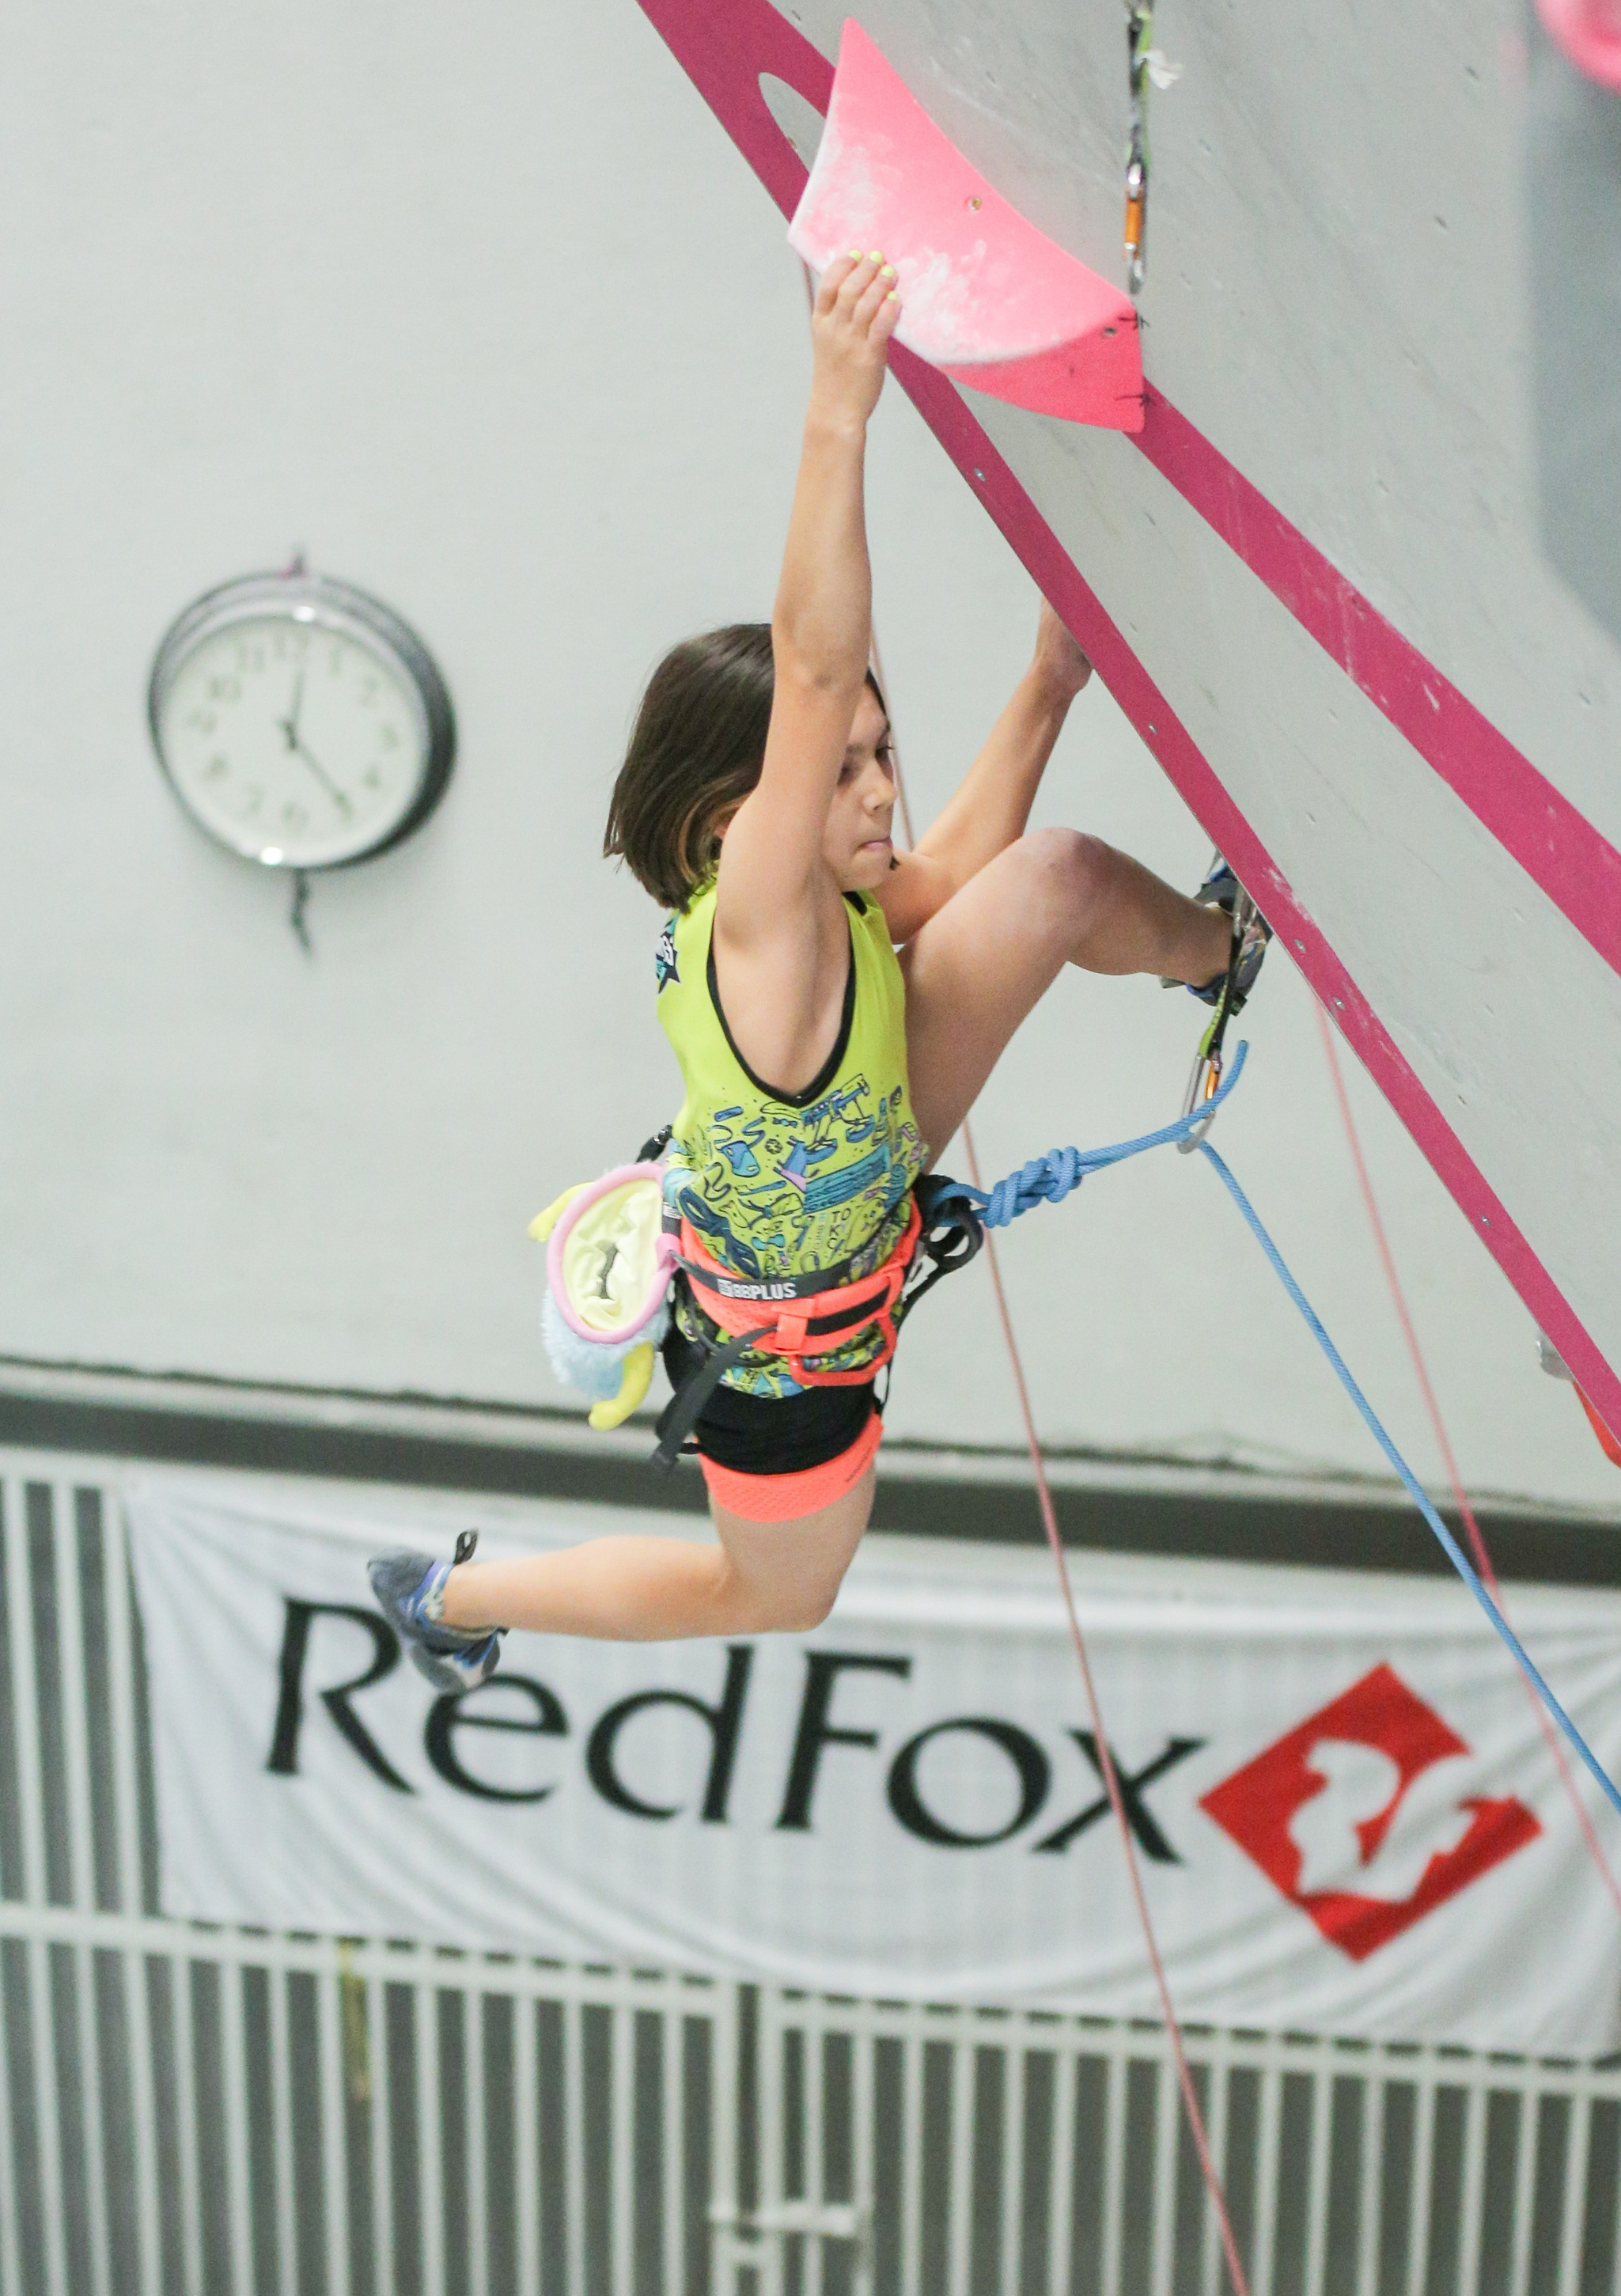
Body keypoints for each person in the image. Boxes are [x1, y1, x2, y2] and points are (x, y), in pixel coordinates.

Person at [371, 249, 1267, 1687]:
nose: (874, 788)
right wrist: (839, 405)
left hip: (859, 1160)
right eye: (838, 769)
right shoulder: (764, 922)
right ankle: (456, 1599)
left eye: (881, 753)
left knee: (1056, 882)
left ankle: (1227, 948)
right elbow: (811, 660)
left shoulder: (841, 901)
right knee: (773, 1596)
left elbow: (965, 873)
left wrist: (1049, 677)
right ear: (736, 827)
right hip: (782, 1362)